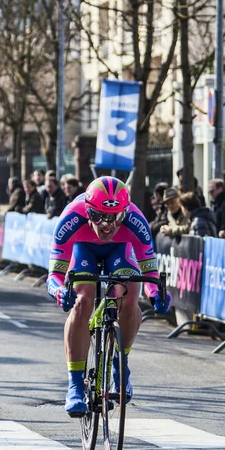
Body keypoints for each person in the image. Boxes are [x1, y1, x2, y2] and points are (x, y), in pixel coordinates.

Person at [46, 176, 171, 416]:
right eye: (98, 216)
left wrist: (156, 293)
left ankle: (119, 362)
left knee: (130, 290)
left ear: (125, 213)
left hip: (119, 250)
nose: (107, 225)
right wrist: (60, 292)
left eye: (115, 218)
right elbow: (54, 275)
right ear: (88, 211)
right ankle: (75, 385)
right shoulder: (71, 218)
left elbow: (150, 272)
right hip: (83, 249)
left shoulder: (136, 221)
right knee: (83, 299)